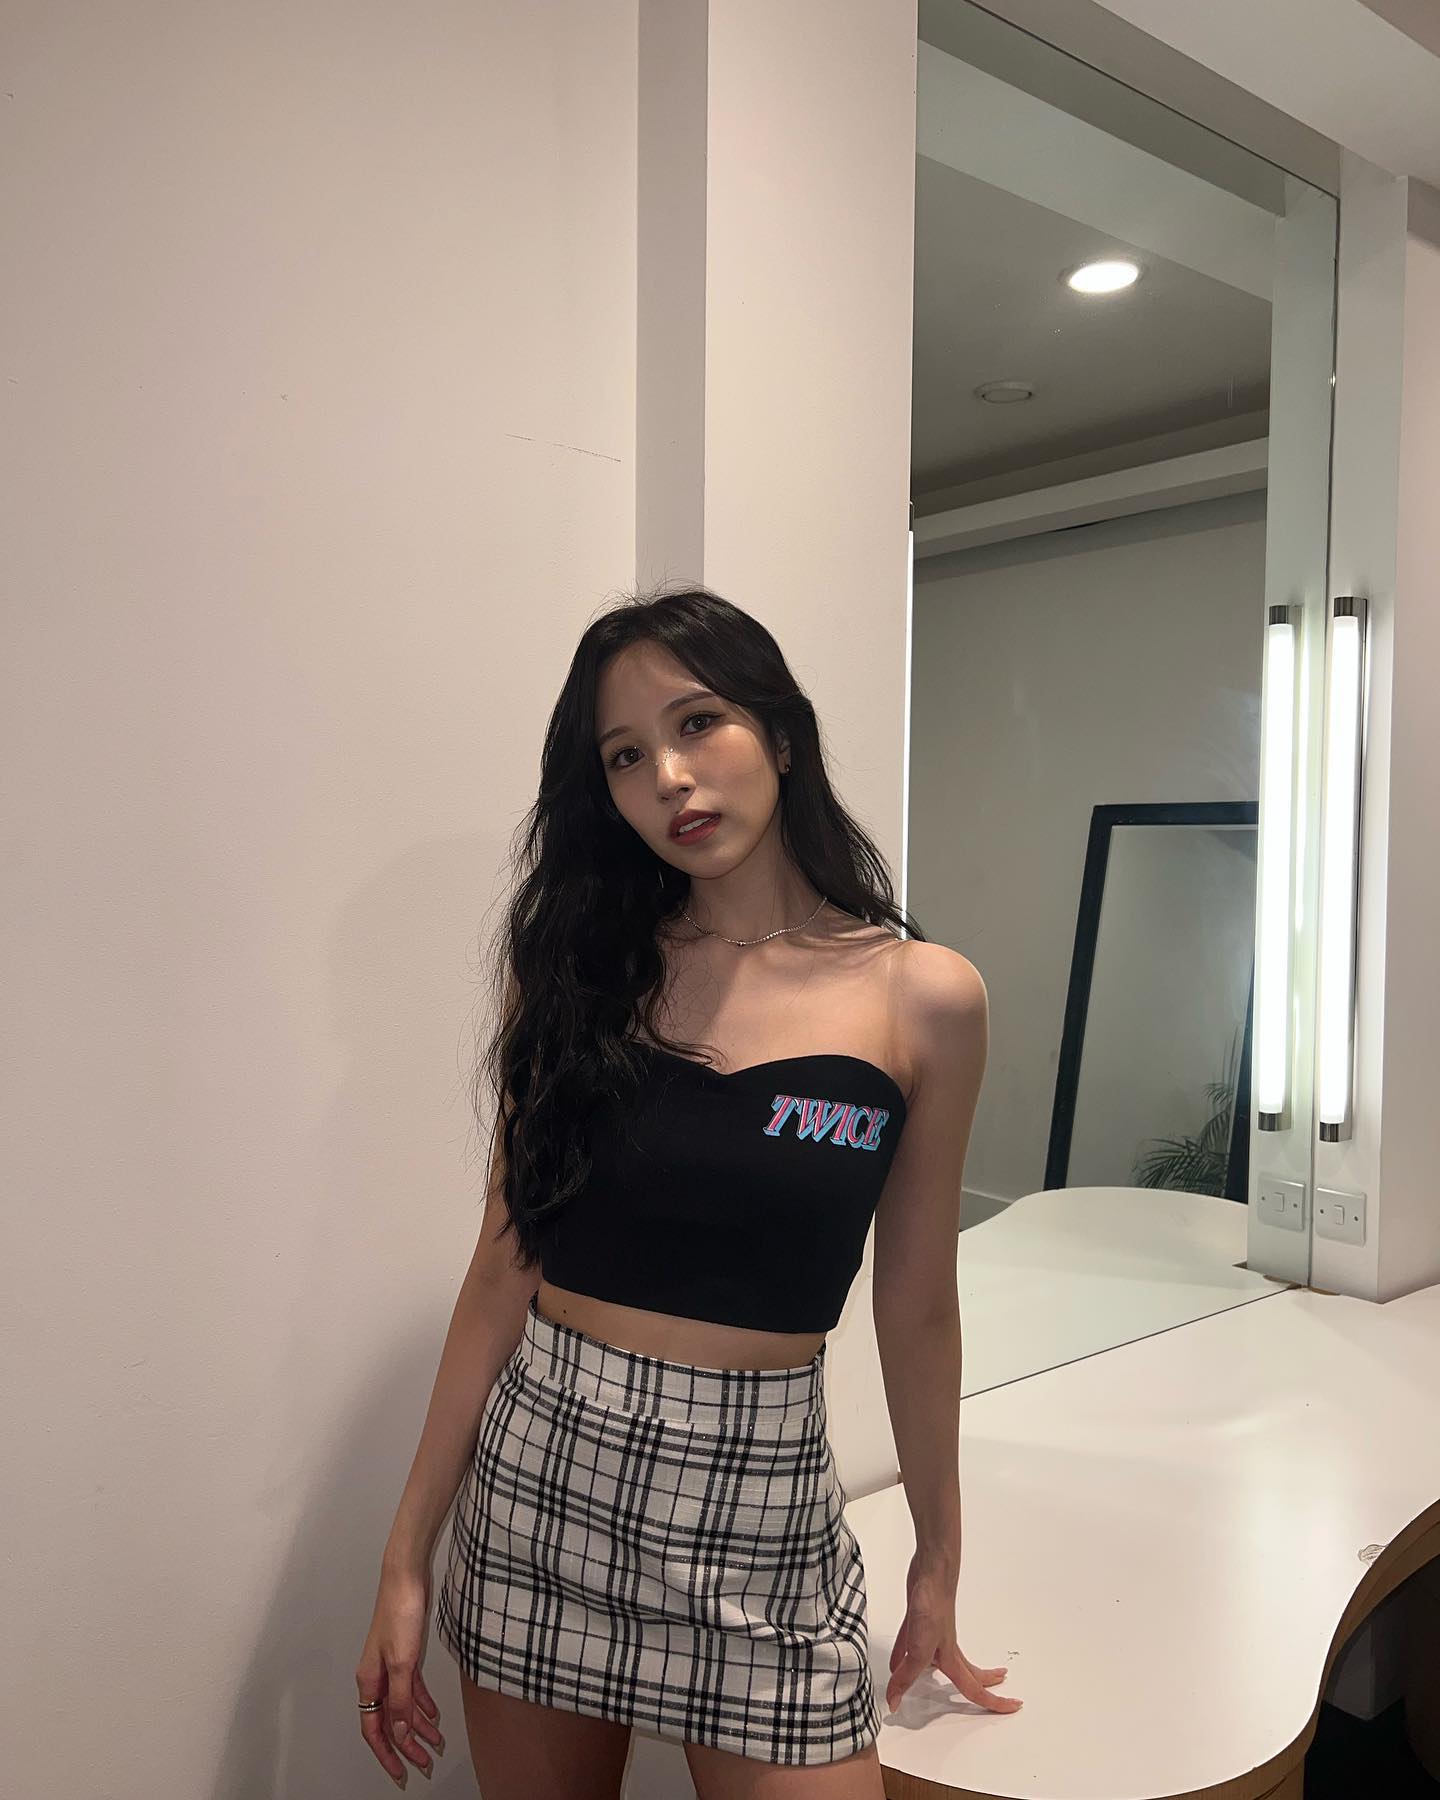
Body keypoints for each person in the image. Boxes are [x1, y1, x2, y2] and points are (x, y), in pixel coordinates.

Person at [355, 586, 1021, 1796]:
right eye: (624, 755)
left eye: (697, 722)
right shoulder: (576, 971)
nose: (667, 775)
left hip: (763, 1509)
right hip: (543, 1490)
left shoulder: (923, 997)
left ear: (781, 733)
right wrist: (406, 1560)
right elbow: (502, 1270)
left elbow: (918, 1303)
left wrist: (938, 1555)